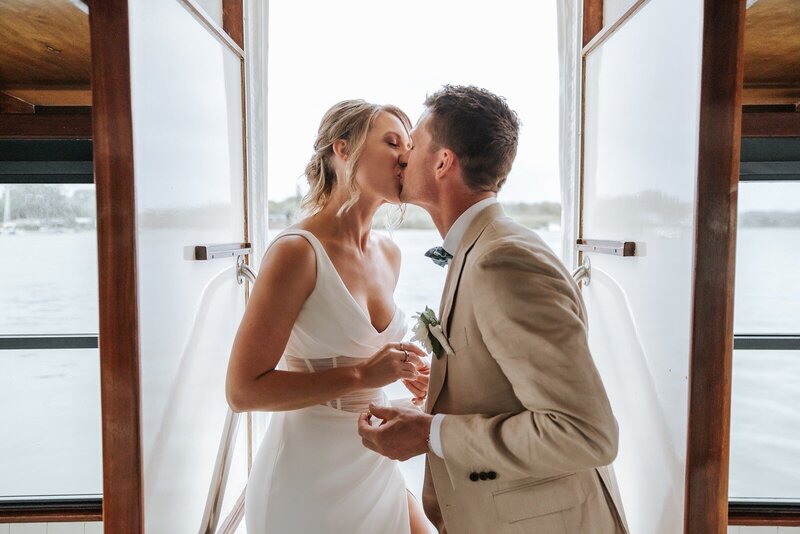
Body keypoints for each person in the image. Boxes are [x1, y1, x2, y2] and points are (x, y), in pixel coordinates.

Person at [358, 85, 629, 533]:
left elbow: (585, 433)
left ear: (443, 161)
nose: (403, 156)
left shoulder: (504, 260)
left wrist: (429, 432)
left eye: (415, 144)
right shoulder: (478, 247)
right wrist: (442, 394)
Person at [226, 100, 431, 534]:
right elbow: (243, 391)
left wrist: (404, 370)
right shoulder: (296, 252)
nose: (406, 157)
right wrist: (362, 376)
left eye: (409, 147)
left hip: (374, 462)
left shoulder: (390, 253)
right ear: (343, 149)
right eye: (392, 142)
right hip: (306, 478)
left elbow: (358, 350)